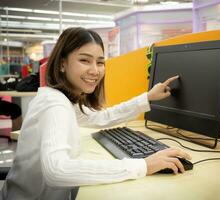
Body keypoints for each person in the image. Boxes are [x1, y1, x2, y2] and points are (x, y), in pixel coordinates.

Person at [0, 27, 191, 200]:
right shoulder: (54, 105)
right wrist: (143, 165)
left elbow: (102, 117)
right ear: (62, 64)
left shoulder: (61, 100)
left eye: (100, 62)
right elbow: (56, 170)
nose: (95, 70)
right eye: (84, 60)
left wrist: (147, 98)